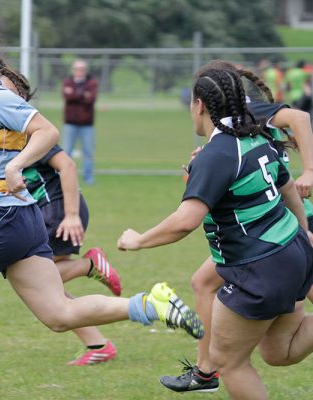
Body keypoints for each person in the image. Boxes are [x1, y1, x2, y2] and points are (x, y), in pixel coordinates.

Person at [0, 28, 203, 400]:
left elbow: (46, 131)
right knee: (59, 314)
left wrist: (17, 167)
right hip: (20, 219)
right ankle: (151, 304)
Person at [118, 62, 313, 400]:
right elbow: (289, 192)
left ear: (199, 105)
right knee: (278, 352)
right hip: (292, 251)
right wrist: (304, 235)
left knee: (229, 361)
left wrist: (138, 240)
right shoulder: (256, 137)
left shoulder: (218, 153)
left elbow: (185, 221)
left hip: (259, 267)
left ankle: (206, 371)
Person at [22, 143, 122, 365]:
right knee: (48, 290)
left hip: (58, 211)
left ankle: (88, 265)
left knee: (35, 281)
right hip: (47, 212)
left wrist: (71, 215)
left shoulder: (26, 130)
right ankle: (98, 345)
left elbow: (67, 165)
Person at [62, 59, 98, 185]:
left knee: (88, 152)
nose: (79, 72)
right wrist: (83, 94)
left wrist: (75, 94)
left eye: (82, 69)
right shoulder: (68, 81)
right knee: (67, 152)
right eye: (77, 69)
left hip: (86, 124)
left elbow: (91, 98)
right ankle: (67, 177)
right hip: (70, 123)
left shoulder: (92, 82)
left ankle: (88, 178)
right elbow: (68, 97)